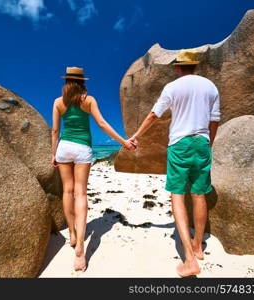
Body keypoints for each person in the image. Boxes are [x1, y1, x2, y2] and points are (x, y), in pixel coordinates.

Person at [128, 50, 221, 277]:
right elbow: (215, 120)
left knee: (177, 195)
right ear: (195, 67)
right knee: (199, 195)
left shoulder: (172, 87)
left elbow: (153, 115)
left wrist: (136, 136)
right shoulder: (211, 87)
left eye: (175, 66)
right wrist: (209, 143)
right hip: (202, 142)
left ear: (179, 68)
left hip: (179, 144)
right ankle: (198, 246)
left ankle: (189, 259)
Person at [51, 67, 135, 271]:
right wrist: (123, 141)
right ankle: (80, 245)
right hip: (82, 148)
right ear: (81, 82)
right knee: (80, 193)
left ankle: (72, 233)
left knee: (67, 191)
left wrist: (53, 154)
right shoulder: (88, 100)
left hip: (64, 147)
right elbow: (102, 123)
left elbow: (55, 130)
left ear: (66, 82)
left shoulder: (58, 102)